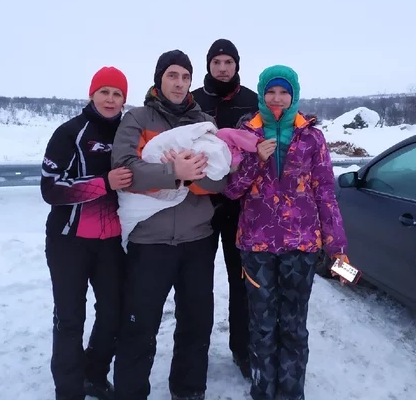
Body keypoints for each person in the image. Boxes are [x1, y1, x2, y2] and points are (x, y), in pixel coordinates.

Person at [223, 64, 349, 400]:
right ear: (262, 93)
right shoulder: (244, 134)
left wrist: (336, 243)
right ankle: (263, 390)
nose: (277, 99)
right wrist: (254, 160)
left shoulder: (312, 137)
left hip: (301, 245)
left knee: (293, 325)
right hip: (256, 246)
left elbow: (325, 191)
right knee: (262, 325)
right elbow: (231, 189)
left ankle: (292, 391)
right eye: (271, 92)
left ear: (293, 96)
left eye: (284, 92)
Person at [111, 50, 229, 400]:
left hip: (197, 239)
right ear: (159, 78)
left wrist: (191, 176)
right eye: (172, 76)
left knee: (196, 323)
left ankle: (189, 390)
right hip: (150, 242)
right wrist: (172, 172)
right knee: (139, 325)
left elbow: (220, 181)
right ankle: (131, 392)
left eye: (185, 77)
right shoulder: (136, 118)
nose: (179, 83)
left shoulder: (204, 122)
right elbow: (125, 169)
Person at [41, 67, 133, 400]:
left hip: (111, 242)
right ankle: (68, 390)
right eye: (104, 92)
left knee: (113, 314)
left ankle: (93, 375)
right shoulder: (70, 133)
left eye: (118, 93)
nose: (111, 99)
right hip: (69, 241)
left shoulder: (129, 132)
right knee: (70, 319)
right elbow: (51, 190)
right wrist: (102, 184)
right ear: (92, 94)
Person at [191, 38, 258, 379]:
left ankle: (242, 349)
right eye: (216, 62)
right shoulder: (194, 100)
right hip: (201, 204)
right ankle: (195, 353)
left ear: (236, 66)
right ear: (208, 65)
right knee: (198, 284)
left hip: (240, 206)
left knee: (241, 281)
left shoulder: (251, 100)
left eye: (228, 62)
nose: (222, 67)